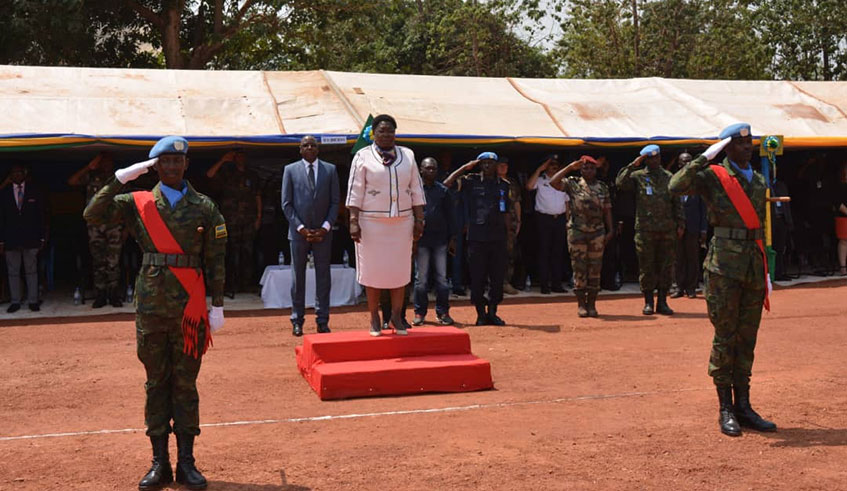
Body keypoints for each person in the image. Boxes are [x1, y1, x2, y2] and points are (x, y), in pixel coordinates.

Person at [84, 136, 226, 489]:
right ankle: (159, 462)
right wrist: (120, 178)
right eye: (165, 162)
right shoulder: (138, 202)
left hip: (190, 308)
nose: (172, 166)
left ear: (186, 164)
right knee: (155, 384)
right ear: (155, 166)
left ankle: (187, 463)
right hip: (151, 307)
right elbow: (93, 213)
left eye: (178, 161)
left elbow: (216, 260)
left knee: (185, 384)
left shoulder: (204, 206)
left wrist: (218, 304)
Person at [669, 123, 777, 437]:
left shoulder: (758, 179)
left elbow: (759, 227)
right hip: (724, 268)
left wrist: (766, 270)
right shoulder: (713, 176)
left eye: (749, 142)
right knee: (725, 336)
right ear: (726, 147)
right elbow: (675, 185)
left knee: (747, 338)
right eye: (740, 143)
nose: (747, 148)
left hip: (752, 266)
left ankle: (744, 405)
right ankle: (725, 408)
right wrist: (704, 157)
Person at [346, 114, 426, 337]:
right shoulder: (363, 156)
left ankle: (396, 317)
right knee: (373, 273)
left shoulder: (408, 155)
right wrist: (353, 221)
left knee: (399, 272)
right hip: (371, 224)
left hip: (401, 223)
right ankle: (374, 317)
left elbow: (416, 189)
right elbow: (355, 190)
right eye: (381, 131)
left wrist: (419, 219)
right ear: (373, 133)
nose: (386, 135)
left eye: (390, 131)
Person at [281, 135, 340, 336]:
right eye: (305, 145)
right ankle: (297, 320)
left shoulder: (330, 170)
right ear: (300, 149)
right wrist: (301, 228)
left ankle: (322, 320)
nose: (309, 148)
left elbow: (335, 202)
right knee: (298, 277)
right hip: (299, 234)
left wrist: (325, 227)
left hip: (323, 233)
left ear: (318, 148)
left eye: (313, 145)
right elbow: (286, 204)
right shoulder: (290, 170)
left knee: (323, 277)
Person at [444, 152, 511, 325]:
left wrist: (509, 236)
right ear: (480, 165)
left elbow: (506, 211)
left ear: (496, 165)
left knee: (497, 278)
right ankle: (481, 313)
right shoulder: (470, 181)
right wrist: (464, 167)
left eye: (491, 163)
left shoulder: (504, 185)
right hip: (477, 238)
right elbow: (447, 184)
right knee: (477, 277)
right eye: (484, 163)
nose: (487, 166)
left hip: (498, 238)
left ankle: (493, 312)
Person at [616, 144, 683, 315]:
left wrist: (680, 224)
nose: (654, 161)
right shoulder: (638, 176)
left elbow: (677, 202)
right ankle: (648, 302)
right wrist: (633, 165)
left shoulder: (669, 177)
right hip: (645, 231)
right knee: (647, 267)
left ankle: (662, 302)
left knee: (665, 267)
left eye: (657, 157)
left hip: (667, 230)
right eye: (650, 158)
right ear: (645, 159)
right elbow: (620, 183)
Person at [548, 156, 614, 317]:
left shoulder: (602, 187)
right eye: (585, 168)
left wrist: (610, 229)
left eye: (592, 168)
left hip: (597, 232)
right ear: (581, 170)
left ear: (596, 170)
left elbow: (607, 209)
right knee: (579, 268)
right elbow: (553, 182)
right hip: (577, 231)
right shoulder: (573, 183)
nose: (589, 171)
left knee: (595, 269)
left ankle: (592, 304)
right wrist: (570, 167)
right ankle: (581, 304)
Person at [68, 152, 125, 308]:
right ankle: (100, 294)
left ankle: (113, 294)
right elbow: (72, 181)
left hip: (114, 226)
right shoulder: (92, 177)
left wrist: (126, 228)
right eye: (102, 162)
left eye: (108, 162)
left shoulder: (119, 180)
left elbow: (127, 205)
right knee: (98, 261)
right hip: (95, 227)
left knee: (113, 261)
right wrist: (89, 167)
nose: (106, 165)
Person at [206, 150, 261, 297]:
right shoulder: (227, 173)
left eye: (242, 156)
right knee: (231, 253)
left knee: (248, 253)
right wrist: (223, 160)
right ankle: (231, 285)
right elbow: (209, 175)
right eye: (237, 156)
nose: (240, 159)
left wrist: (258, 217)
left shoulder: (252, 175)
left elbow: (257, 196)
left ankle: (246, 284)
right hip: (231, 220)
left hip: (248, 220)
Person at [412, 157, 455, 326]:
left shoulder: (443, 191)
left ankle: (443, 312)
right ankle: (419, 313)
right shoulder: (414, 190)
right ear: (421, 170)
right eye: (428, 168)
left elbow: (451, 216)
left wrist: (452, 239)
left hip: (440, 240)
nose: (431, 171)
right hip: (421, 239)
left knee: (442, 279)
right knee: (421, 279)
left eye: (434, 168)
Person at [0, 163, 47, 313]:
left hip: (31, 238)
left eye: (19, 172)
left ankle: (33, 300)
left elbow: (41, 215)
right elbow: (1, 218)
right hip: (11, 239)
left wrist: (42, 237)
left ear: (24, 173)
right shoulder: (4, 192)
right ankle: (15, 301)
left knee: (31, 270)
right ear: (10, 175)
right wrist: (1, 240)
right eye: (14, 172)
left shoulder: (34, 190)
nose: (17, 175)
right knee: (13, 272)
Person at [526, 154, 569, 293]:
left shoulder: (564, 182)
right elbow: (529, 186)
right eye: (551, 164)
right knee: (544, 252)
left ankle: (557, 284)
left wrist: (568, 220)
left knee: (558, 252)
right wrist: (539, 170)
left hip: (560, 219)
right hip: (544, 219)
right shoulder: (540, 180)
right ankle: (544, 285)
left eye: (556, 164)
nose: (554, 166)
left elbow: (567, 202)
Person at [671, 152, 708, 298]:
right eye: (683, 161)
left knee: (692, 258)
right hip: (677, 227)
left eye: (688, 161)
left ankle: (691, 288)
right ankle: (678, 287)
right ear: (679, 164)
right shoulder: (673, 181)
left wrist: (703, 229)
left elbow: (703, 209)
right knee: (678, 258)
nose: (686, 164)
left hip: (693, 227)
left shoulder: (698, 182)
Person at [498, 156, 522, 295]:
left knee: (510, 253)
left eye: (505, 165)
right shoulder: (491, 181)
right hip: (493, 223)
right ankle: (493, 283)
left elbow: (517, 202)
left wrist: (519, 220)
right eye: (500, 165)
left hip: (510, 223)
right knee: (493, 254)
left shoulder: (512, 183)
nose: (503, 168)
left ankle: (506, 282)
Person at [836, 161, 847, 276]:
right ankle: (843, 267)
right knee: (844, 241)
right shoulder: (841, 187)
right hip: (844, 217)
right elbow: (837, 203)